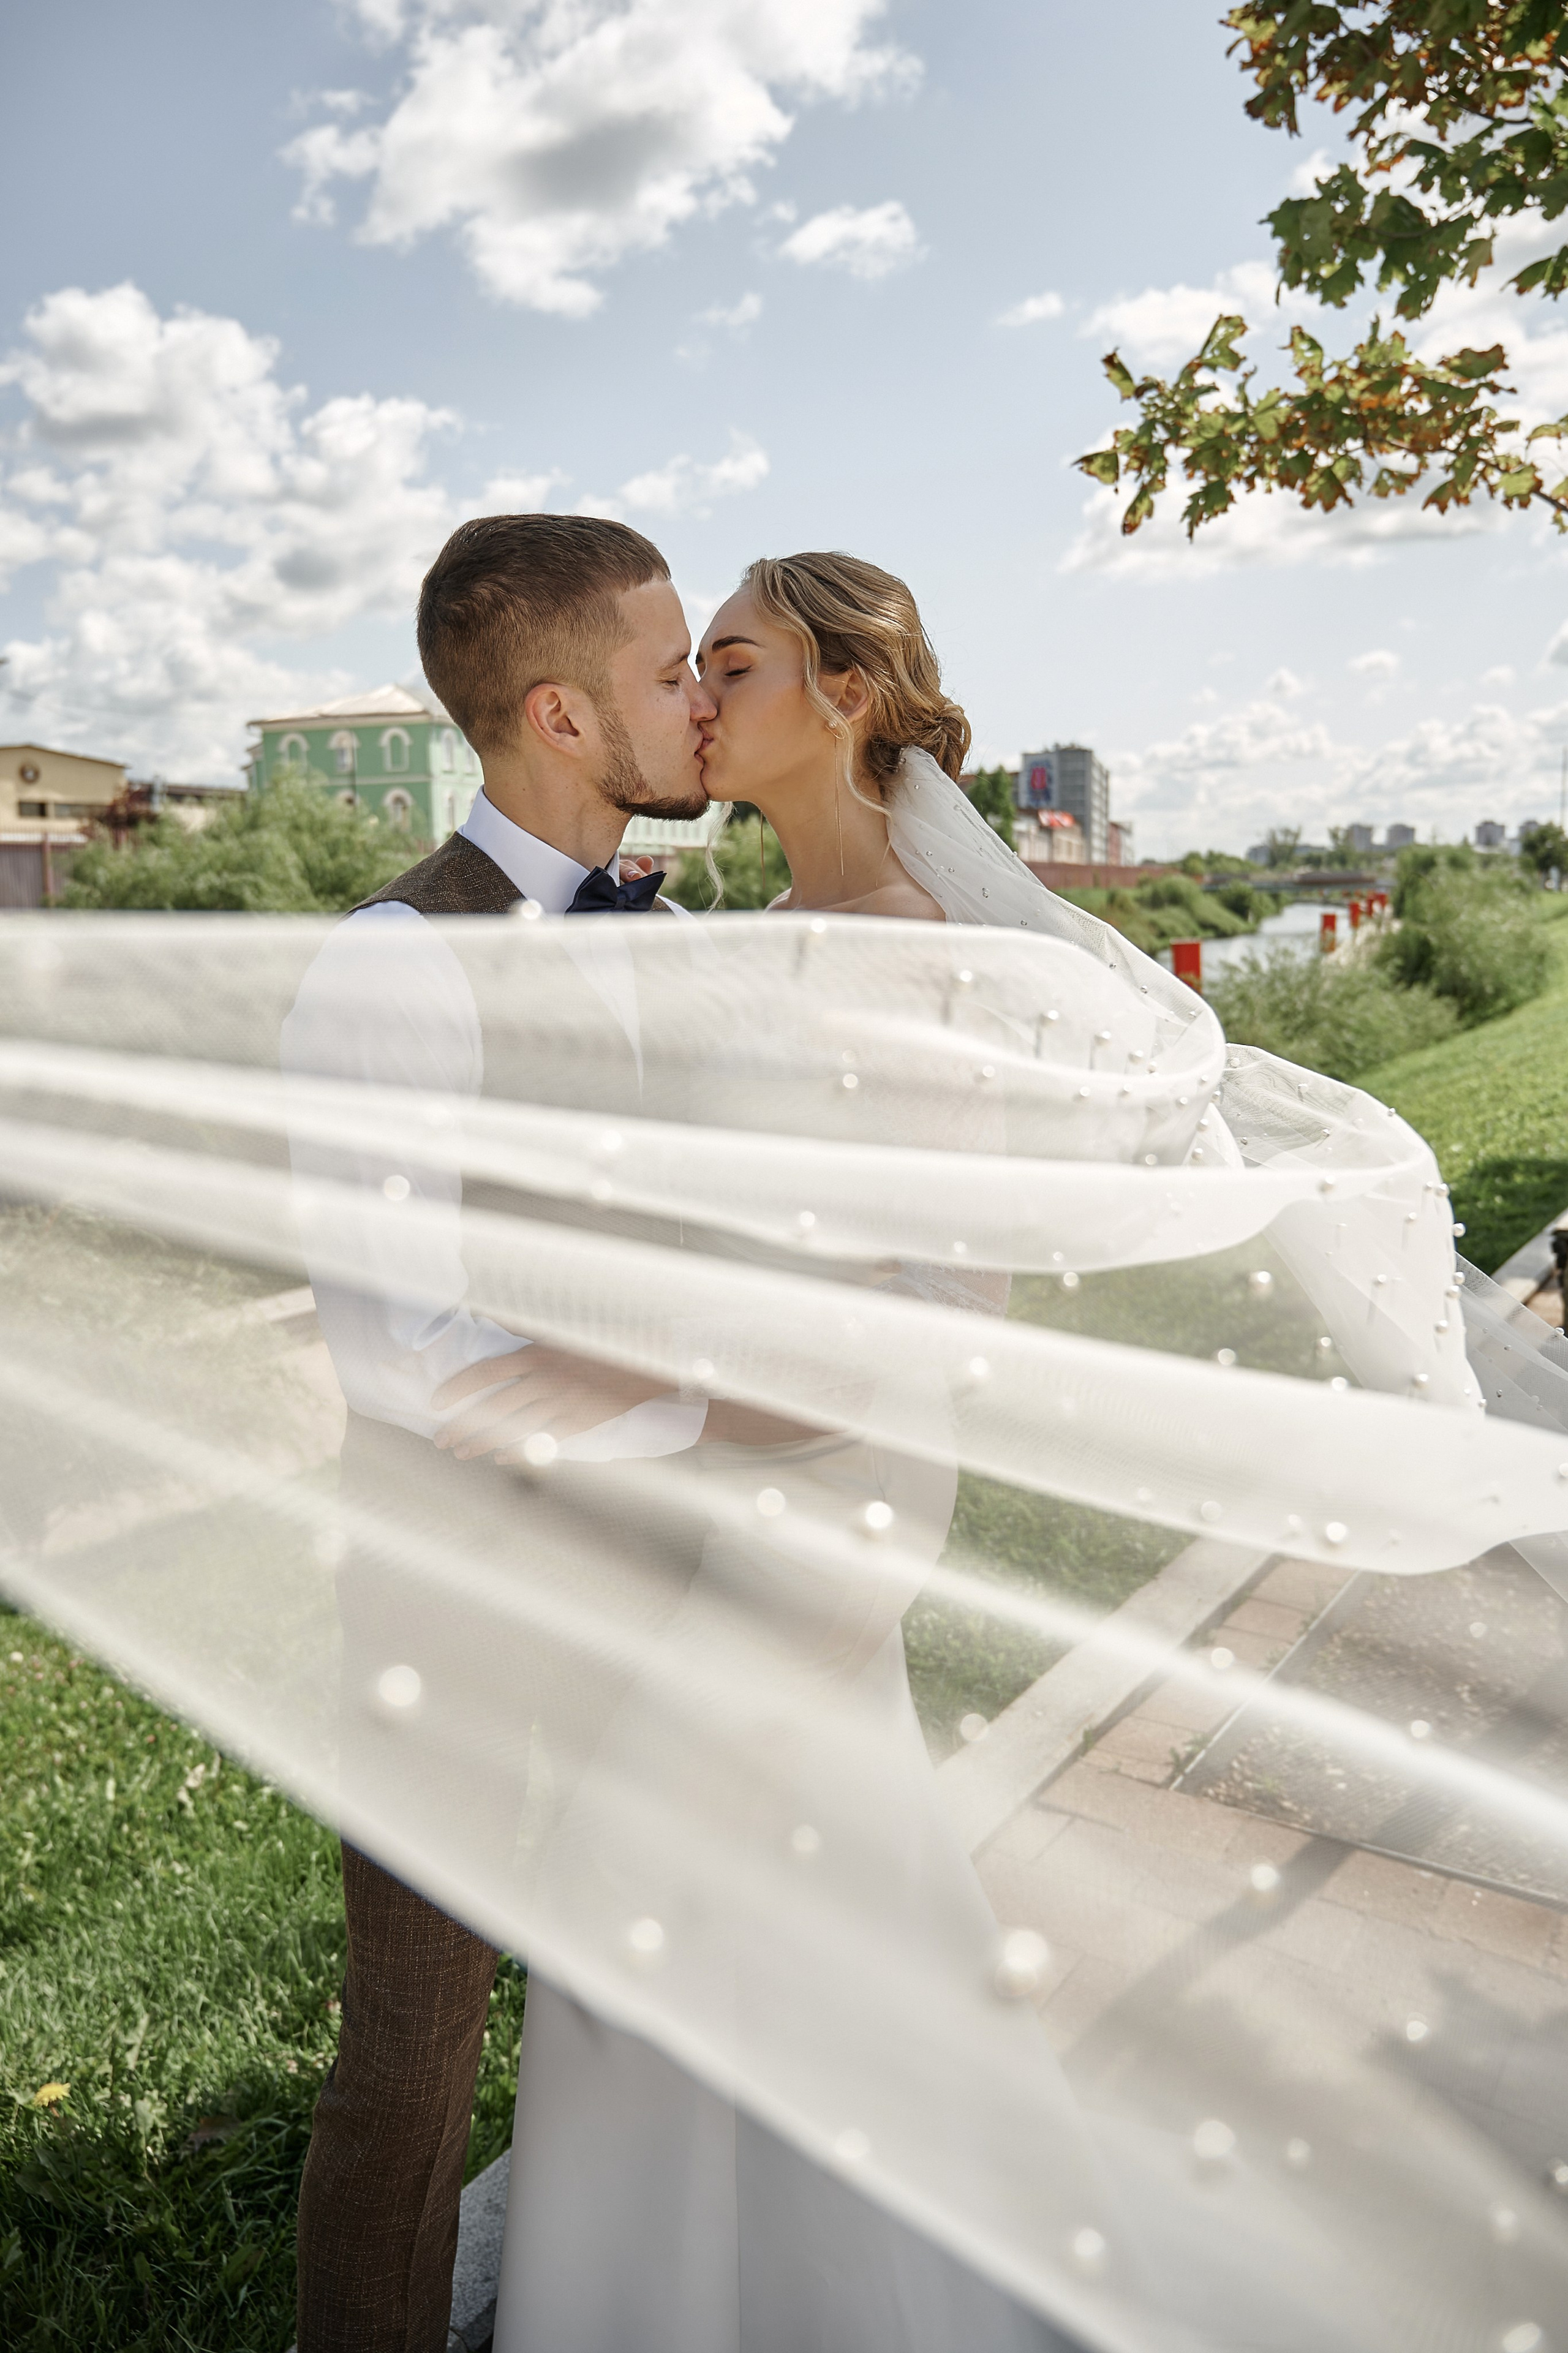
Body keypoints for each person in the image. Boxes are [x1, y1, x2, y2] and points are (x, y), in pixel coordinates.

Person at [483, 551, 1095, 2353]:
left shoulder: (914, 947)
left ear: (839, 697)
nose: (695, 698)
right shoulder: (764, 929)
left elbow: (932, 1311)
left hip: (834, 1490)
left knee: (620, 1916)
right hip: (741, 1470)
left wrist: (620, 1370)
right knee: (810, 1905)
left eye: (727, 663)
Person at [284, 511, 800, 2353]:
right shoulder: (393, 968)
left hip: (673, 1581)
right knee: (414, 2060)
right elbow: (413, 1366)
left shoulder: (682, 941)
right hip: (459, 1607)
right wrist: (708, 1381)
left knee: (670, 1999)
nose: (701, 700)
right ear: (566, 716)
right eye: (672, 670)